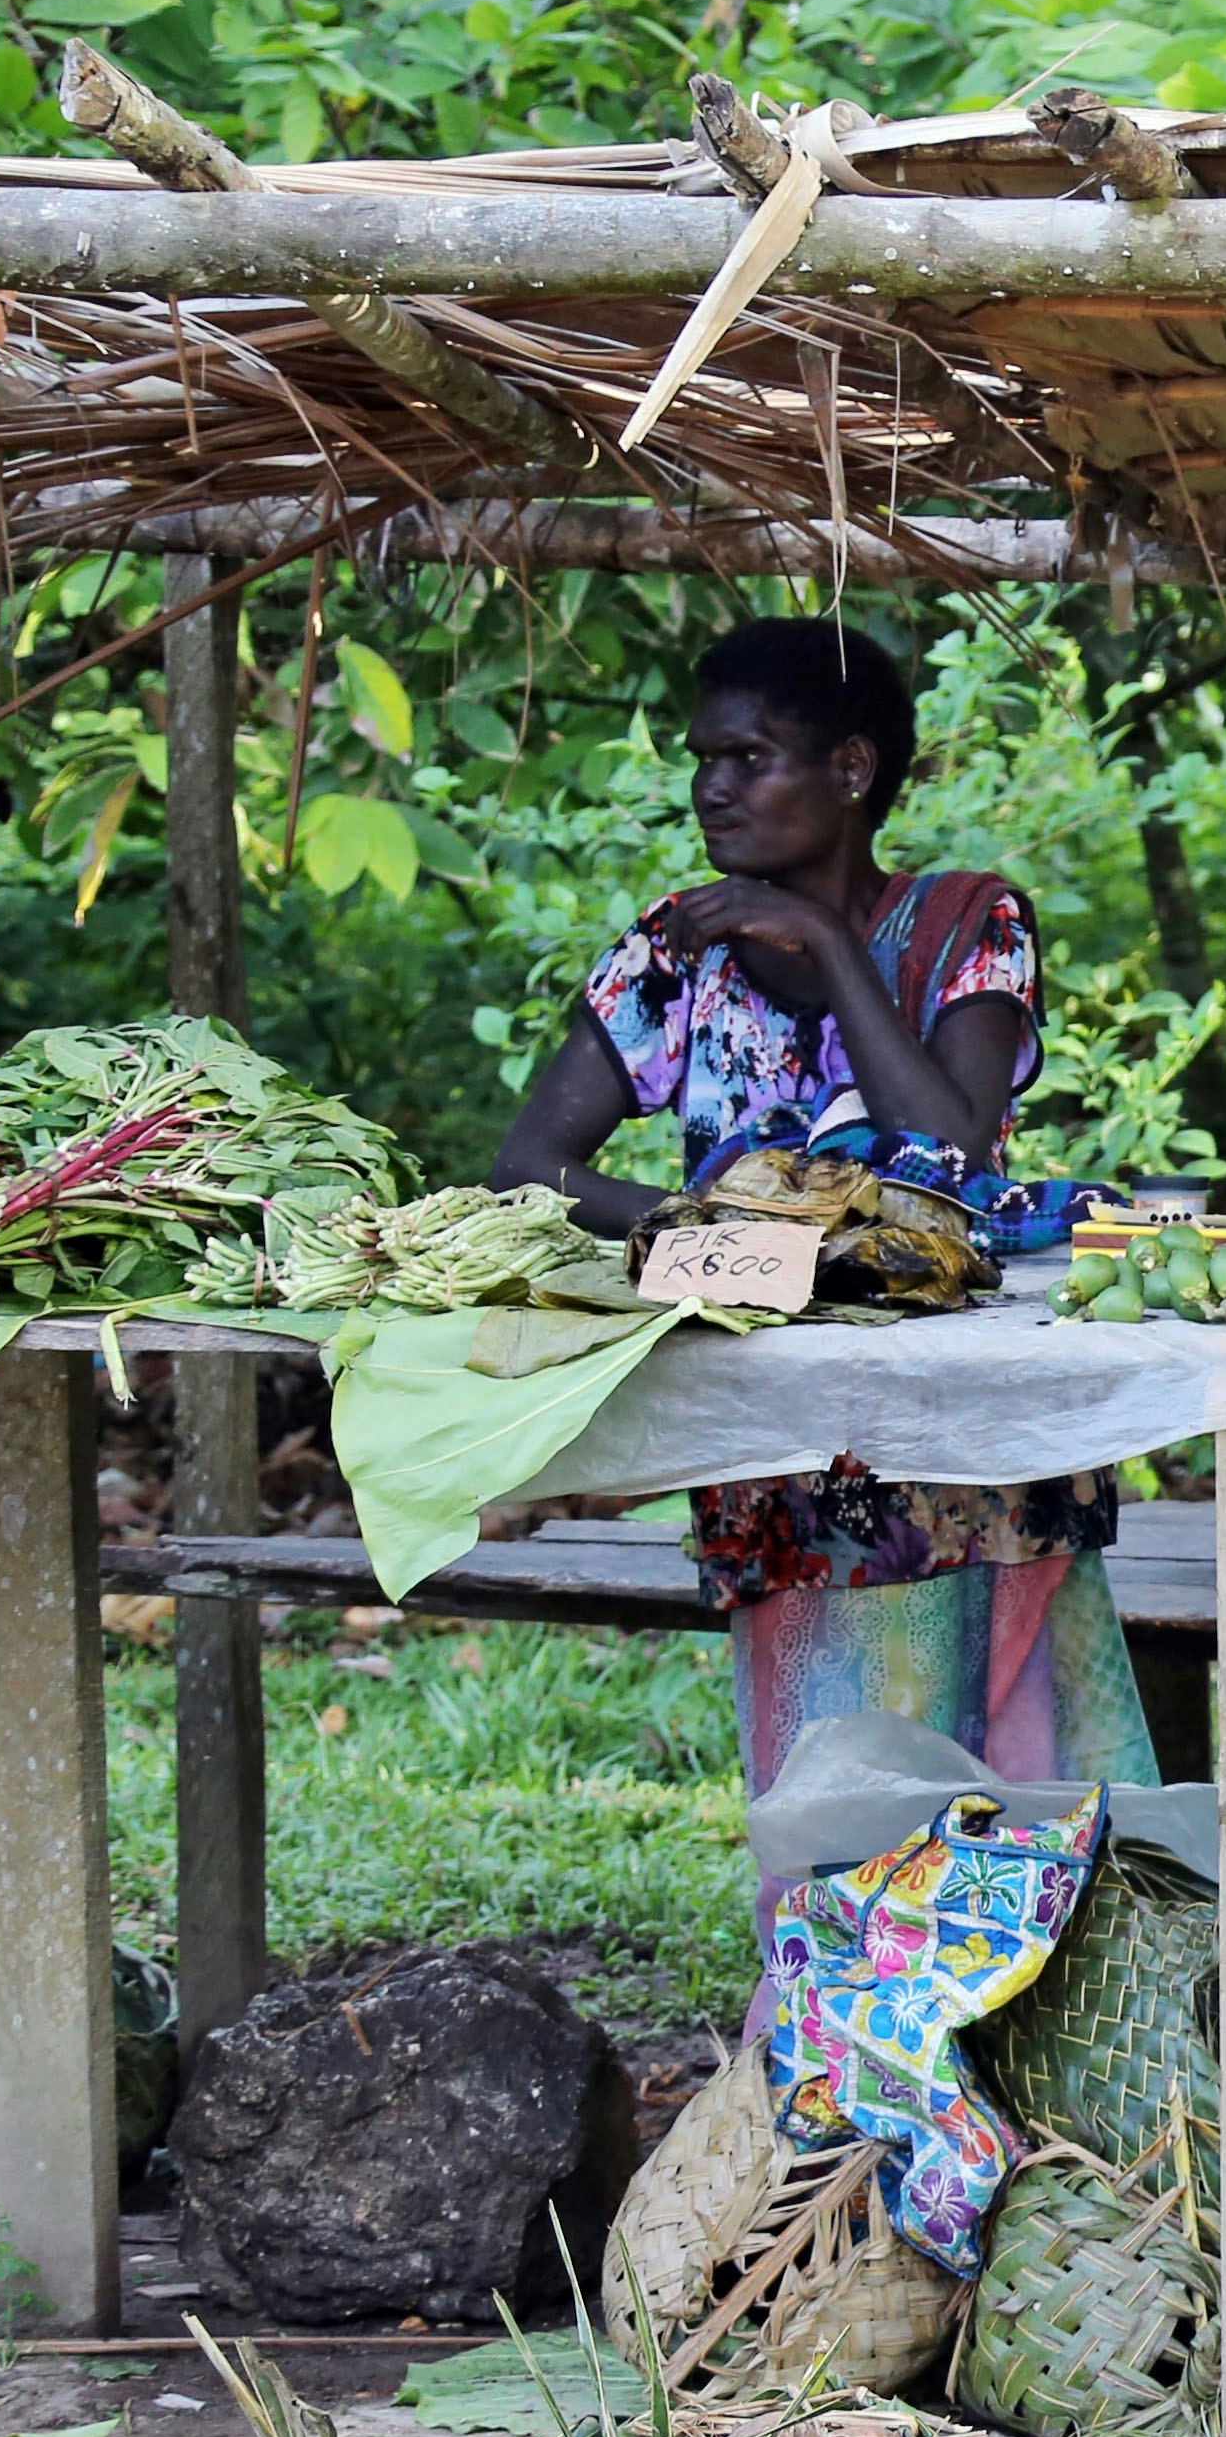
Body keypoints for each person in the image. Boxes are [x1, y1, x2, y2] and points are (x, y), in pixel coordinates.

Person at [492, 618, 1155, 1824]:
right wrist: (754, 1247)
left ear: (851, 771)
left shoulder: (967, 925)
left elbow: (951, 1156)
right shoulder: (677, 951)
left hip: (977, 1445)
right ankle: (851, 2014)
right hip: (786, 1457)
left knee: (1036, 1796)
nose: (711, 787)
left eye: (750, 757)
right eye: (704, 759)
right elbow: (528, 1169)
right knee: (838, 1814)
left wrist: (833, 945)